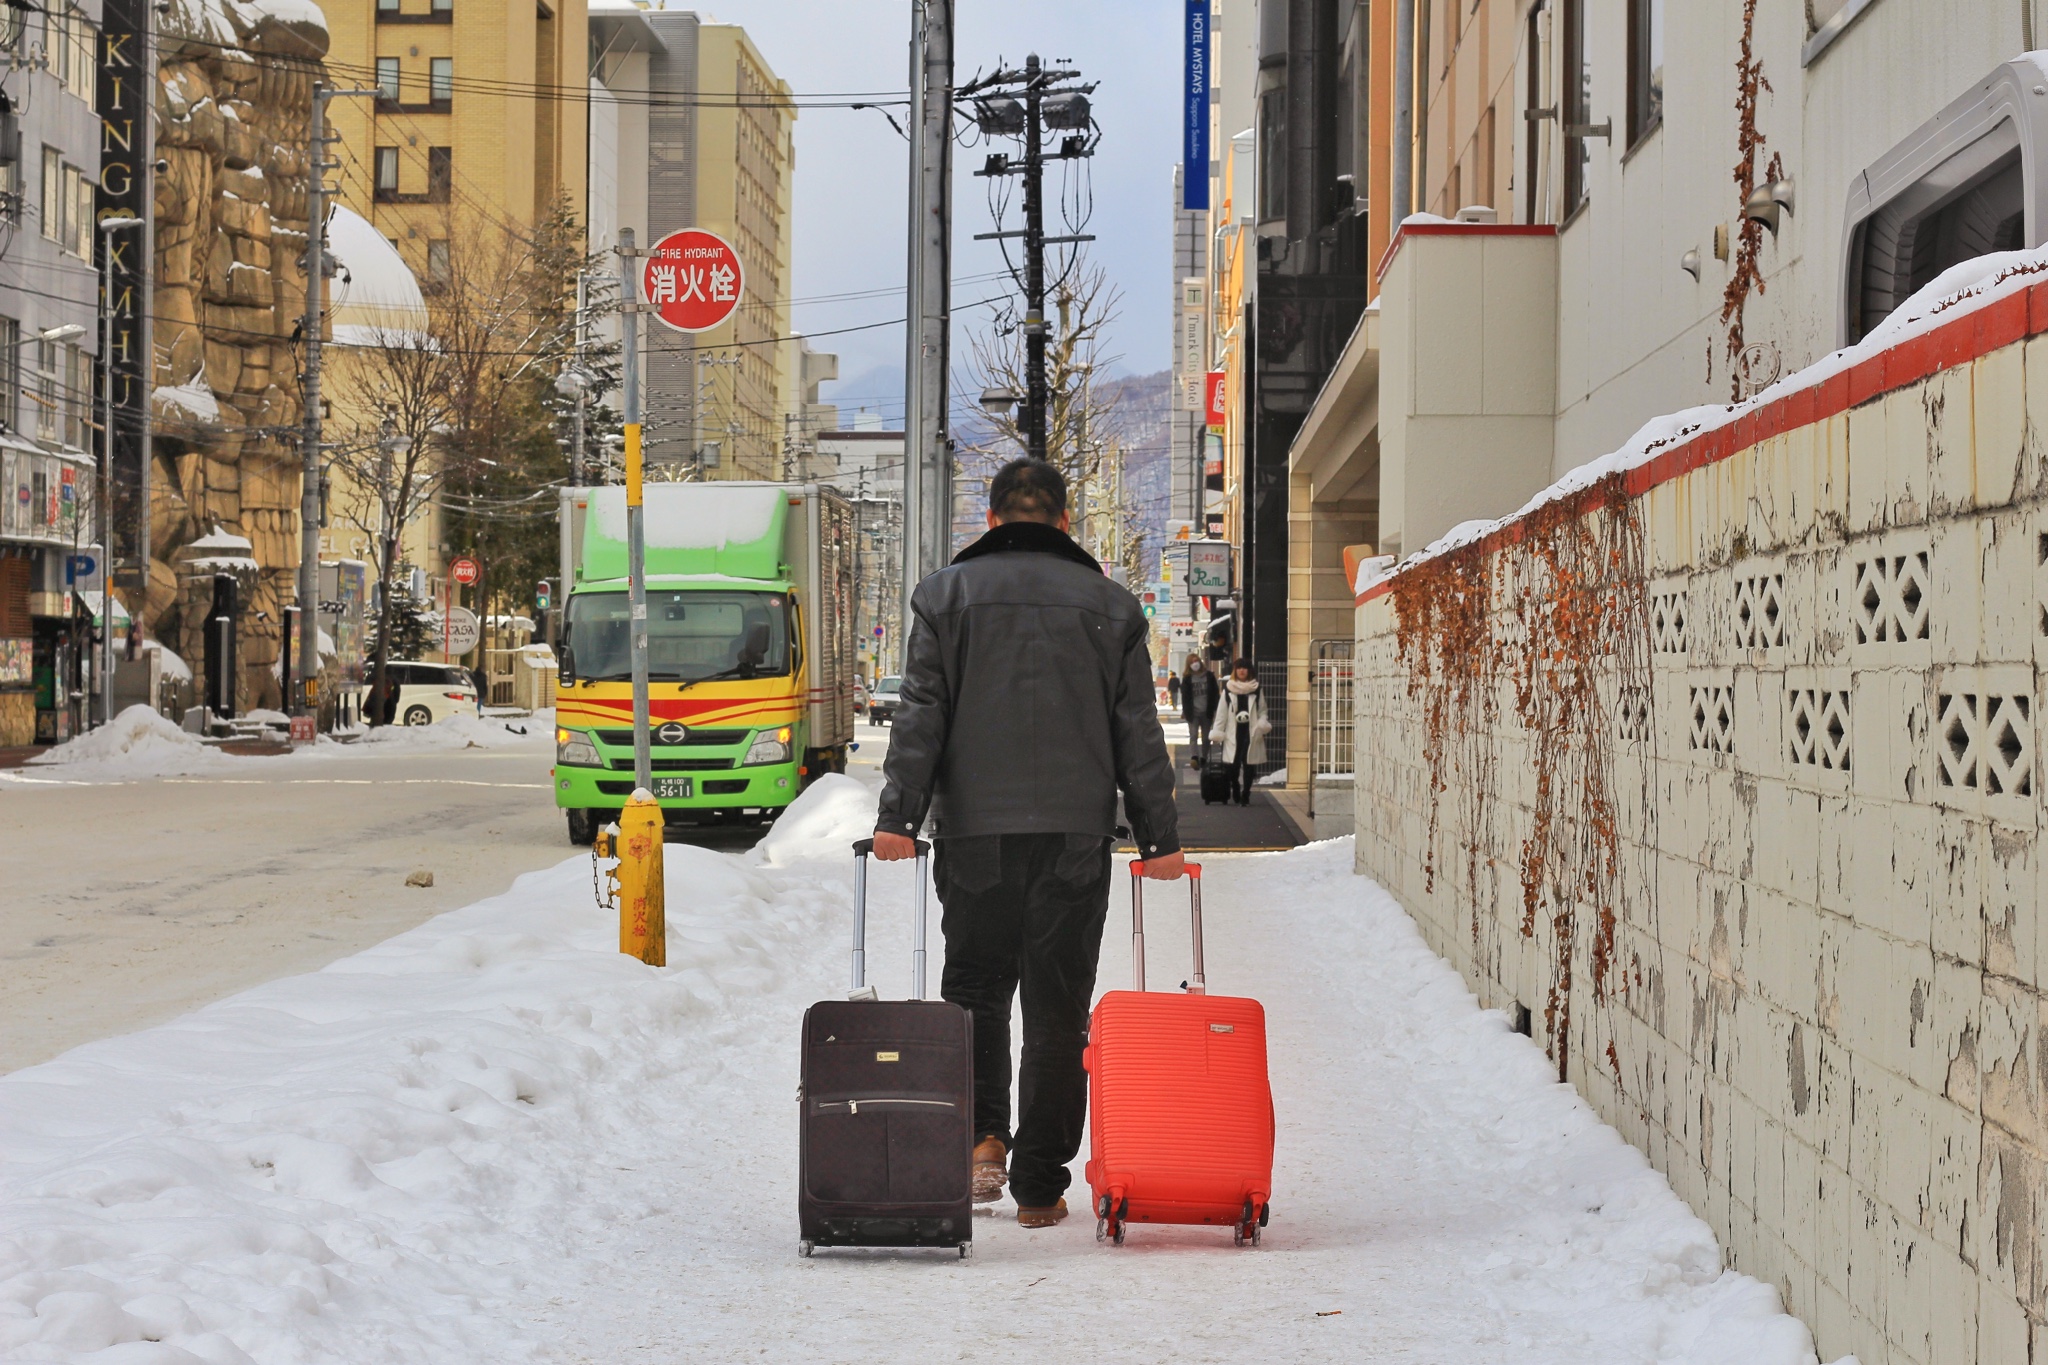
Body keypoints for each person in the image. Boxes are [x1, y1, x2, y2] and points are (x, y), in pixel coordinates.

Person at [871, 457, 1182, 1230]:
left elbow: (920, 718)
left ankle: (982, 1141)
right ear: (1066, 523)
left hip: (974, 830)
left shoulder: (945, 597)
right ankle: (1041, 1183)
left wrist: (897, 818)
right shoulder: (1111, 606)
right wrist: (1160, 837)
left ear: (993, 518)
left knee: (975, 988)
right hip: (1076, 835)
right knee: (1058, 1005)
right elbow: (1136, 733)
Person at [1210, 659, 1269, 805]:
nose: (1242, 671)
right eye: (1239, 668)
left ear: (1249, 671)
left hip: (1251, 732)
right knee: (1232, 767)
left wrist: (1262, 724)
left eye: (1245, 668)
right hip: (1233, 733)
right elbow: (1221, 714)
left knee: (1249, 765)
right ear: (1235, 671)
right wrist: (1218, 731)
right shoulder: (1228, 690)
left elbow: (1262, 710)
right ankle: (1235, 786)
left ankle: (1246, 794)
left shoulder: (1256, 689)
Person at [1181, 655, 1219, 768]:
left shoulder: (1209, 676)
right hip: (1193, 713)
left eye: (1196, 661)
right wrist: (1185, 711)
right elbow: (1185, 696)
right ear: (1189, 665)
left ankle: (1204, 757)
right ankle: (1194, 757)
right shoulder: (1187, 678)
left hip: (1206, 711)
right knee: (1193, 735)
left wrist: (1215, 708)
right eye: (1192, 662)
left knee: (1206, 736)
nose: (1195, 664)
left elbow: (1215, 693)